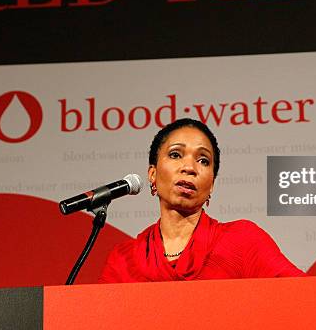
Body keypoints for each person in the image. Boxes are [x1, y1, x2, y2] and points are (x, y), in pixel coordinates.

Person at [99, 118, 304, 283]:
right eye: (176, 154)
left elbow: (309, 297)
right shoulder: (123, 260)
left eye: (203, 160)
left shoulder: (243, 241)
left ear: (212, 184)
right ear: (152, 174)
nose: (189, 167)